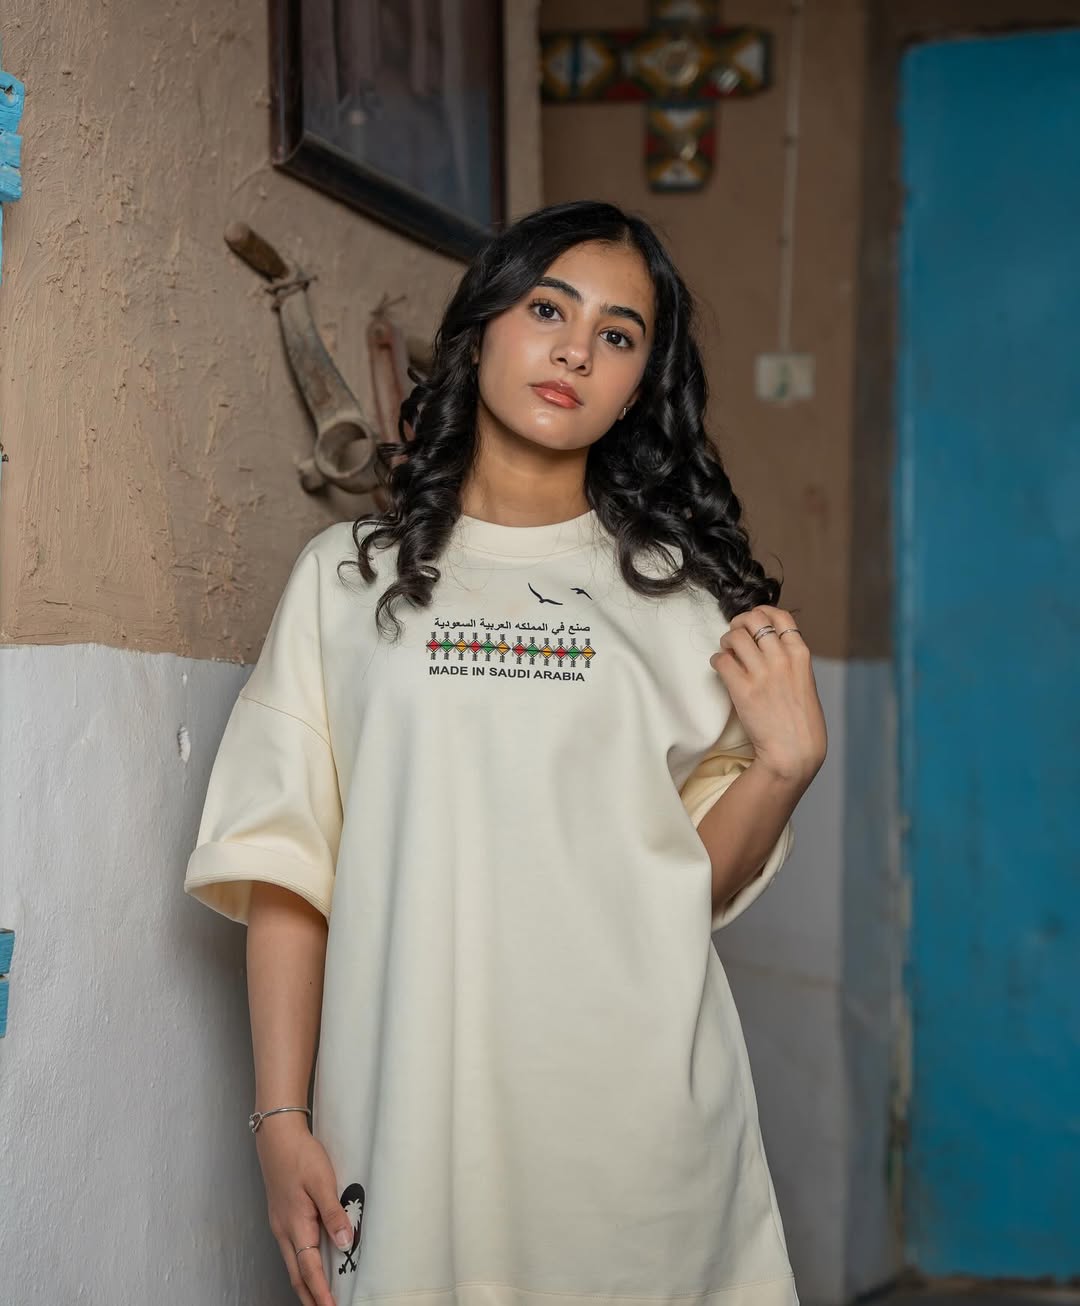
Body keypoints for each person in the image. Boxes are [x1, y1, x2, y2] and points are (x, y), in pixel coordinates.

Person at [184, 199, 828, 1306]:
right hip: (409, 1122)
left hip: (633, 1132)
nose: (576, 350)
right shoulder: (346, 582)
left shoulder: (685, 608)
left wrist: (782, 766)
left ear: (639, 384)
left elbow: (687, 891)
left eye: (618, 335)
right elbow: (288, 866)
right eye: (546, 309)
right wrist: (281, 1118)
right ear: (480, 326)